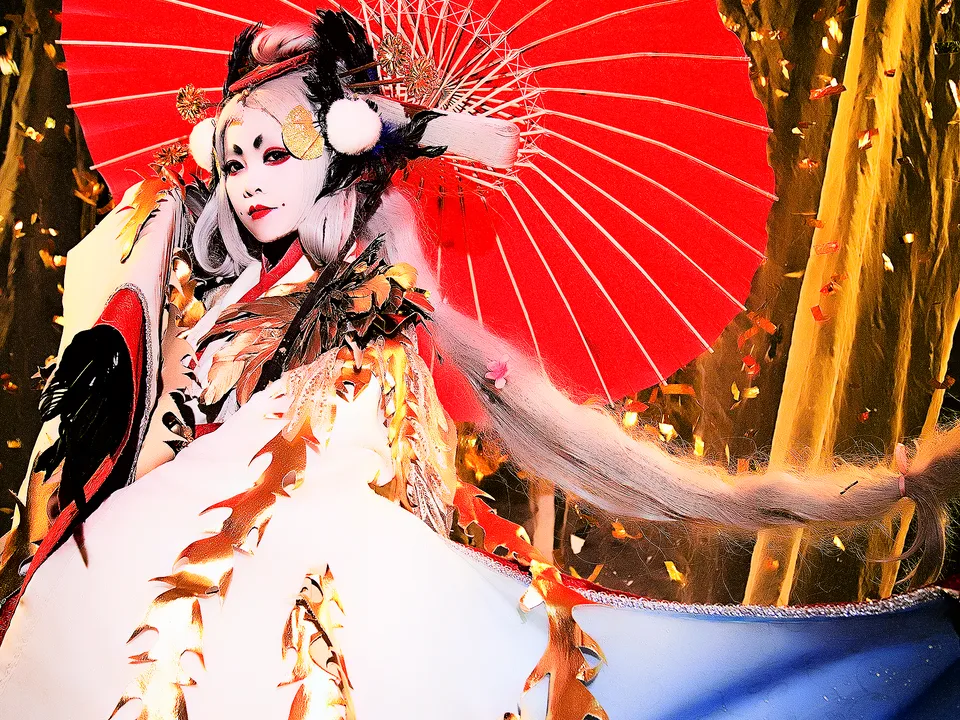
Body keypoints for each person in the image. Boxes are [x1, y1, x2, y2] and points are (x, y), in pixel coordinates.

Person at [0, 12, 958, 720]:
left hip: (328, 626)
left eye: (283, 149)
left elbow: (571, 443)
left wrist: (825, 499)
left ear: (345, 144)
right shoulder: (189, 277)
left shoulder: (384, 307)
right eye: (236, 155)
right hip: (155, 617)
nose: (251, 182)